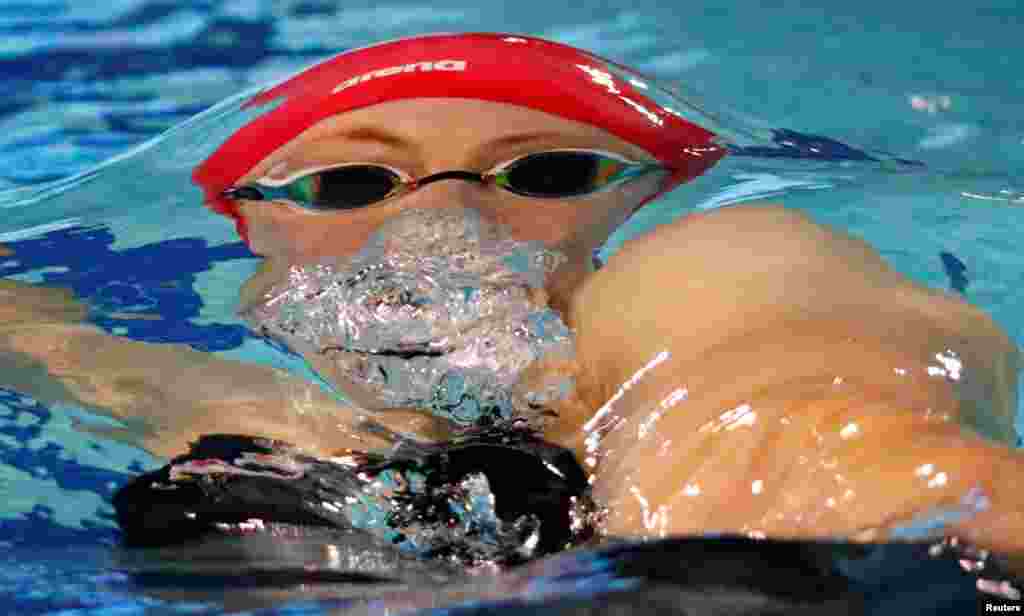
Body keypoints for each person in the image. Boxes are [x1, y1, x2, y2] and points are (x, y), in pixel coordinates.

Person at [2, 33, 1022, 565]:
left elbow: (806, 412)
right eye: (351, 185)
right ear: (256, 260)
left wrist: (881, 509)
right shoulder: (251, 420)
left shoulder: (718, 261)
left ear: (652, 208)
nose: (446, 214)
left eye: (549, 172)